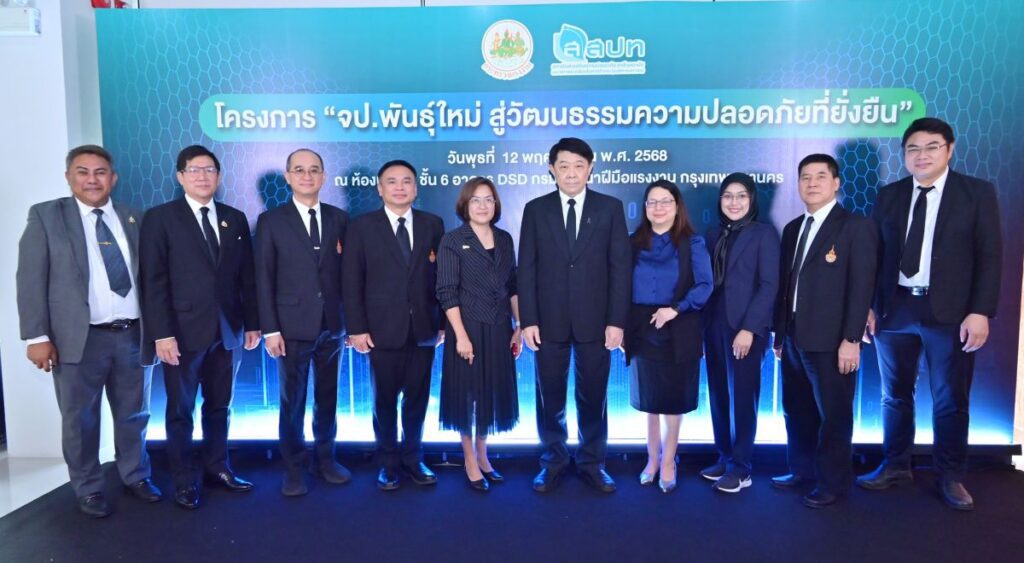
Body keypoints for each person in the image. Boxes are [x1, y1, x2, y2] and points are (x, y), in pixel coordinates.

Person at [857, 118, 1002, 511]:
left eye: (931, 147)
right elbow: (875, 257)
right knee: (894, 395)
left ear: (949, 150)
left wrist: (980, 311)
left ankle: (950, 475)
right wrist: (869, 305)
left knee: (950, 397)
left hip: (951, 312)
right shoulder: (889, 195)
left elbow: (990, 256)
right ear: (904, 155)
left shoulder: (976, 193)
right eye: (913, 149)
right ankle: (895, 465)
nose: (922, 155)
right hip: (895, 308)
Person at [16, 145, 160, 518]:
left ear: (113, 178)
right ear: (69, 177)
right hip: (78, 340)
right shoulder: (47, 217)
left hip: (132, 335)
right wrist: (36, 337)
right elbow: (30, 279)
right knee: (80, 419)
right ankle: (89, 488)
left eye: (100, 172)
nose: (92, 180)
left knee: (135, 414)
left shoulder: (135, 217)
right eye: (83, 172)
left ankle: (135, 474)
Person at [139, 145, 261, 510]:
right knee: (180, 411)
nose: (202, 176)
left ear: (219, 176)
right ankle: (184, 479)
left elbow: (247, 277)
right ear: (180, 176)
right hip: (181, 333)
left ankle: (217, 468)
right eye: (194, 170)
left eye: (209, 170)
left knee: (220, 406)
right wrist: (162, 334)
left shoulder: (234, 218)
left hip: (228, 331)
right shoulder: (160, 218)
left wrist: (252, 324)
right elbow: (153, 280)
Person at [518, 137, 632, 494]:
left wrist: (616, 321)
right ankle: (552, 461)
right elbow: (527, 269)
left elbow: (620, 268)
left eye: (579, 166)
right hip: (547, 321)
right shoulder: (536, 209)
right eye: (564, 166)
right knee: (549, 397)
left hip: (596, 322)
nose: (571, 173)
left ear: (590, 168)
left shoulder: (610, 208)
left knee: (593, 396)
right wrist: (528, 320)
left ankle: (592, 463)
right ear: (551, 169)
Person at [772, 154, 877, 508]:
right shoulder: (793, 229)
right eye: (805, 177)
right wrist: (780, 335)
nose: (812, 183)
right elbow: (786, 287)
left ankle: (833, 482)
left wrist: (851, 339)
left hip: (833, 341)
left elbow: (862, 287)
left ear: (836, 183)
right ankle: (802, 470)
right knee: (797, 409)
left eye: (820, 176)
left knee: (834, 414)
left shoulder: (855, 227)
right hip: (794, 337)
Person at [342, 160, 445, 491]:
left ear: (416, 187)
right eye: (392, 181)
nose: (400, 187)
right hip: (380, 330)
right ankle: (387, 463)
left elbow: (442, 278)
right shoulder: (361, 227)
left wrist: (442, 323)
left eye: (406, 181)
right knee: (384, 401)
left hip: (424, 329)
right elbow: (351, 281)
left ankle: (414, 459)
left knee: (417, 400)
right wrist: (356, 328)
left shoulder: (433, 224)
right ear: (380, 188)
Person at [255, 149, 351, 496]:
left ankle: (326, 460)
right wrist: (270, 329)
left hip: (332, 326)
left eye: (314, 170)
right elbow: (263, 277)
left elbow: (348, 276)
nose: (307, 176)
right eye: (299, 170)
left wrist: (351, 324)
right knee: (292, 401)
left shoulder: (340, 218)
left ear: (323, 176)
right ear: (288, 177)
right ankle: (294, 468)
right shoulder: (271, 220)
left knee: (328, 398)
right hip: (290, 326)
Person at [622, 180, 712, 494]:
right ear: (645, 208)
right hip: (641, 328)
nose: (658, 208)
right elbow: (620, 286)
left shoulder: (692, 242)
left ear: (677, 207)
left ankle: (670, 460)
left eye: (665, 202)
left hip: (678, 328)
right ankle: (651, 460)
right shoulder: (632, 242)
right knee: (649, 400)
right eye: (652, 202)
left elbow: (705, 285)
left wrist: (675, 309)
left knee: (673, 401)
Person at [436, 177, 522, 492]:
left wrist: (519, 326)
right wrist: (460, 336)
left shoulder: (504, 239)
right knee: (468, 396)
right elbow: (446, 291)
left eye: (488, 199)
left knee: (490, 392)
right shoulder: (452, 240)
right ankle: (470, 460)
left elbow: (513, 285)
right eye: (476, 200)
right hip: (467, 328)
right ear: (465, 205)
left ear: (495, 205)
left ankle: (483, 456)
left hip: (499, 328)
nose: (483, 206)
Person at [701, 173, 780, 494]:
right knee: (719, 394)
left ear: (752, 200)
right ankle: (725, 456)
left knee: (743, 398)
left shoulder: (764, 234)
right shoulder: (714, 234)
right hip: (714, 325)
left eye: (741, 196)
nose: (734, 202)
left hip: (746, 328)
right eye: (728, 196)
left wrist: (749, 329)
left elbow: (769, 285)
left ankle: (742, 467)